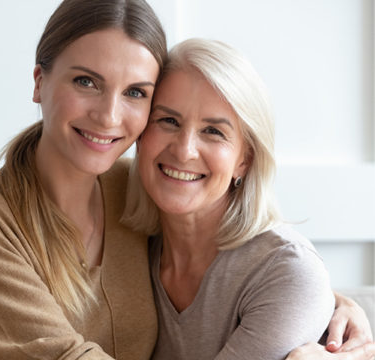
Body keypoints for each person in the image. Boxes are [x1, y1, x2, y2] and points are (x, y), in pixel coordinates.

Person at [0, 0, 373, 359]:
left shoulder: (133, 191)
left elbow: (261, 268)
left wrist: (333, 306)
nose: (109, 115)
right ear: (39, 81)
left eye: (136, 92)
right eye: (86, 81)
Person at [122, 38, 375, 360]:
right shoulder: (122, 240)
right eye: (169, 121)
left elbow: (298, 279)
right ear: (141, 135)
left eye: (213, 131)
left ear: (245, 160)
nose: (184, 150)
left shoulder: (286, 270)